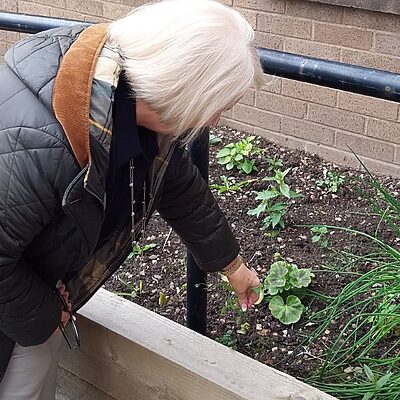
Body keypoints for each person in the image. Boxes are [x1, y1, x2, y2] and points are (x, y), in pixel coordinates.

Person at [0, 0, 264, 398]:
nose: (214, 121)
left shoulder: (116, 88)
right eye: (216, 106)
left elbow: (178, 187)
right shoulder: (49, 140)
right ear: (177, 88)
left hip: (32, 283)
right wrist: (43, 314)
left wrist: (230, 263)